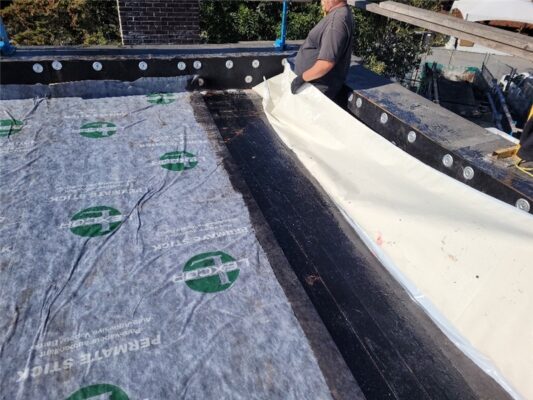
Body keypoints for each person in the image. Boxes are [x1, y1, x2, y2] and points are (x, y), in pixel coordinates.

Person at [291, 0, 354, 104]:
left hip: (315, 90)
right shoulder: (339, 14)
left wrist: (301, 79)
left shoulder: (336, 23)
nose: (322, 1)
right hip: (312, 86)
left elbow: (326, 63)